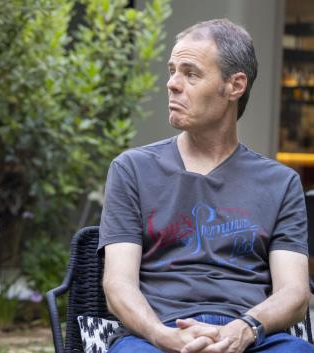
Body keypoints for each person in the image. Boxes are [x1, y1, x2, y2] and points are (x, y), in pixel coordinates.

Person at [100, 19, 313, 353]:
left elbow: (294, 293)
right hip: (155, 338)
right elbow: (117, 284)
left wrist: (246, 328)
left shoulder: (280, 183)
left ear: (235, 86)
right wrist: (161, 335)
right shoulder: (132, 170)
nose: (172, 84)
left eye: (190, 73)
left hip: (252, 337)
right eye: (172, 71)